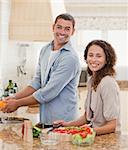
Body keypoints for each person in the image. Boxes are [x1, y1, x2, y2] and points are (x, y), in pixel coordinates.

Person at [2, 13, 81, 125]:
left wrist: (17, 103)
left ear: (73, 32)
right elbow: (37, 82)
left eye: (67, 29)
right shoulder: (45, 50)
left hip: (64, 121)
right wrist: (12, 98)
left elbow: (48, 92)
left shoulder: (70, 58)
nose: (62, 32)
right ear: (53, 27)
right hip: (45, 119)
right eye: (59, 27)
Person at [54, 40, 120, 135]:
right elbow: (87, 117)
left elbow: (112, 125)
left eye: (99, 56)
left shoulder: (107, 83)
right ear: (86, 58)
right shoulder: (92, 81)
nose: (93, 59)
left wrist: (86, 131)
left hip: (108, 137)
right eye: (90, 55)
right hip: (96, 136)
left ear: (107, 60)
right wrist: (66, 125)